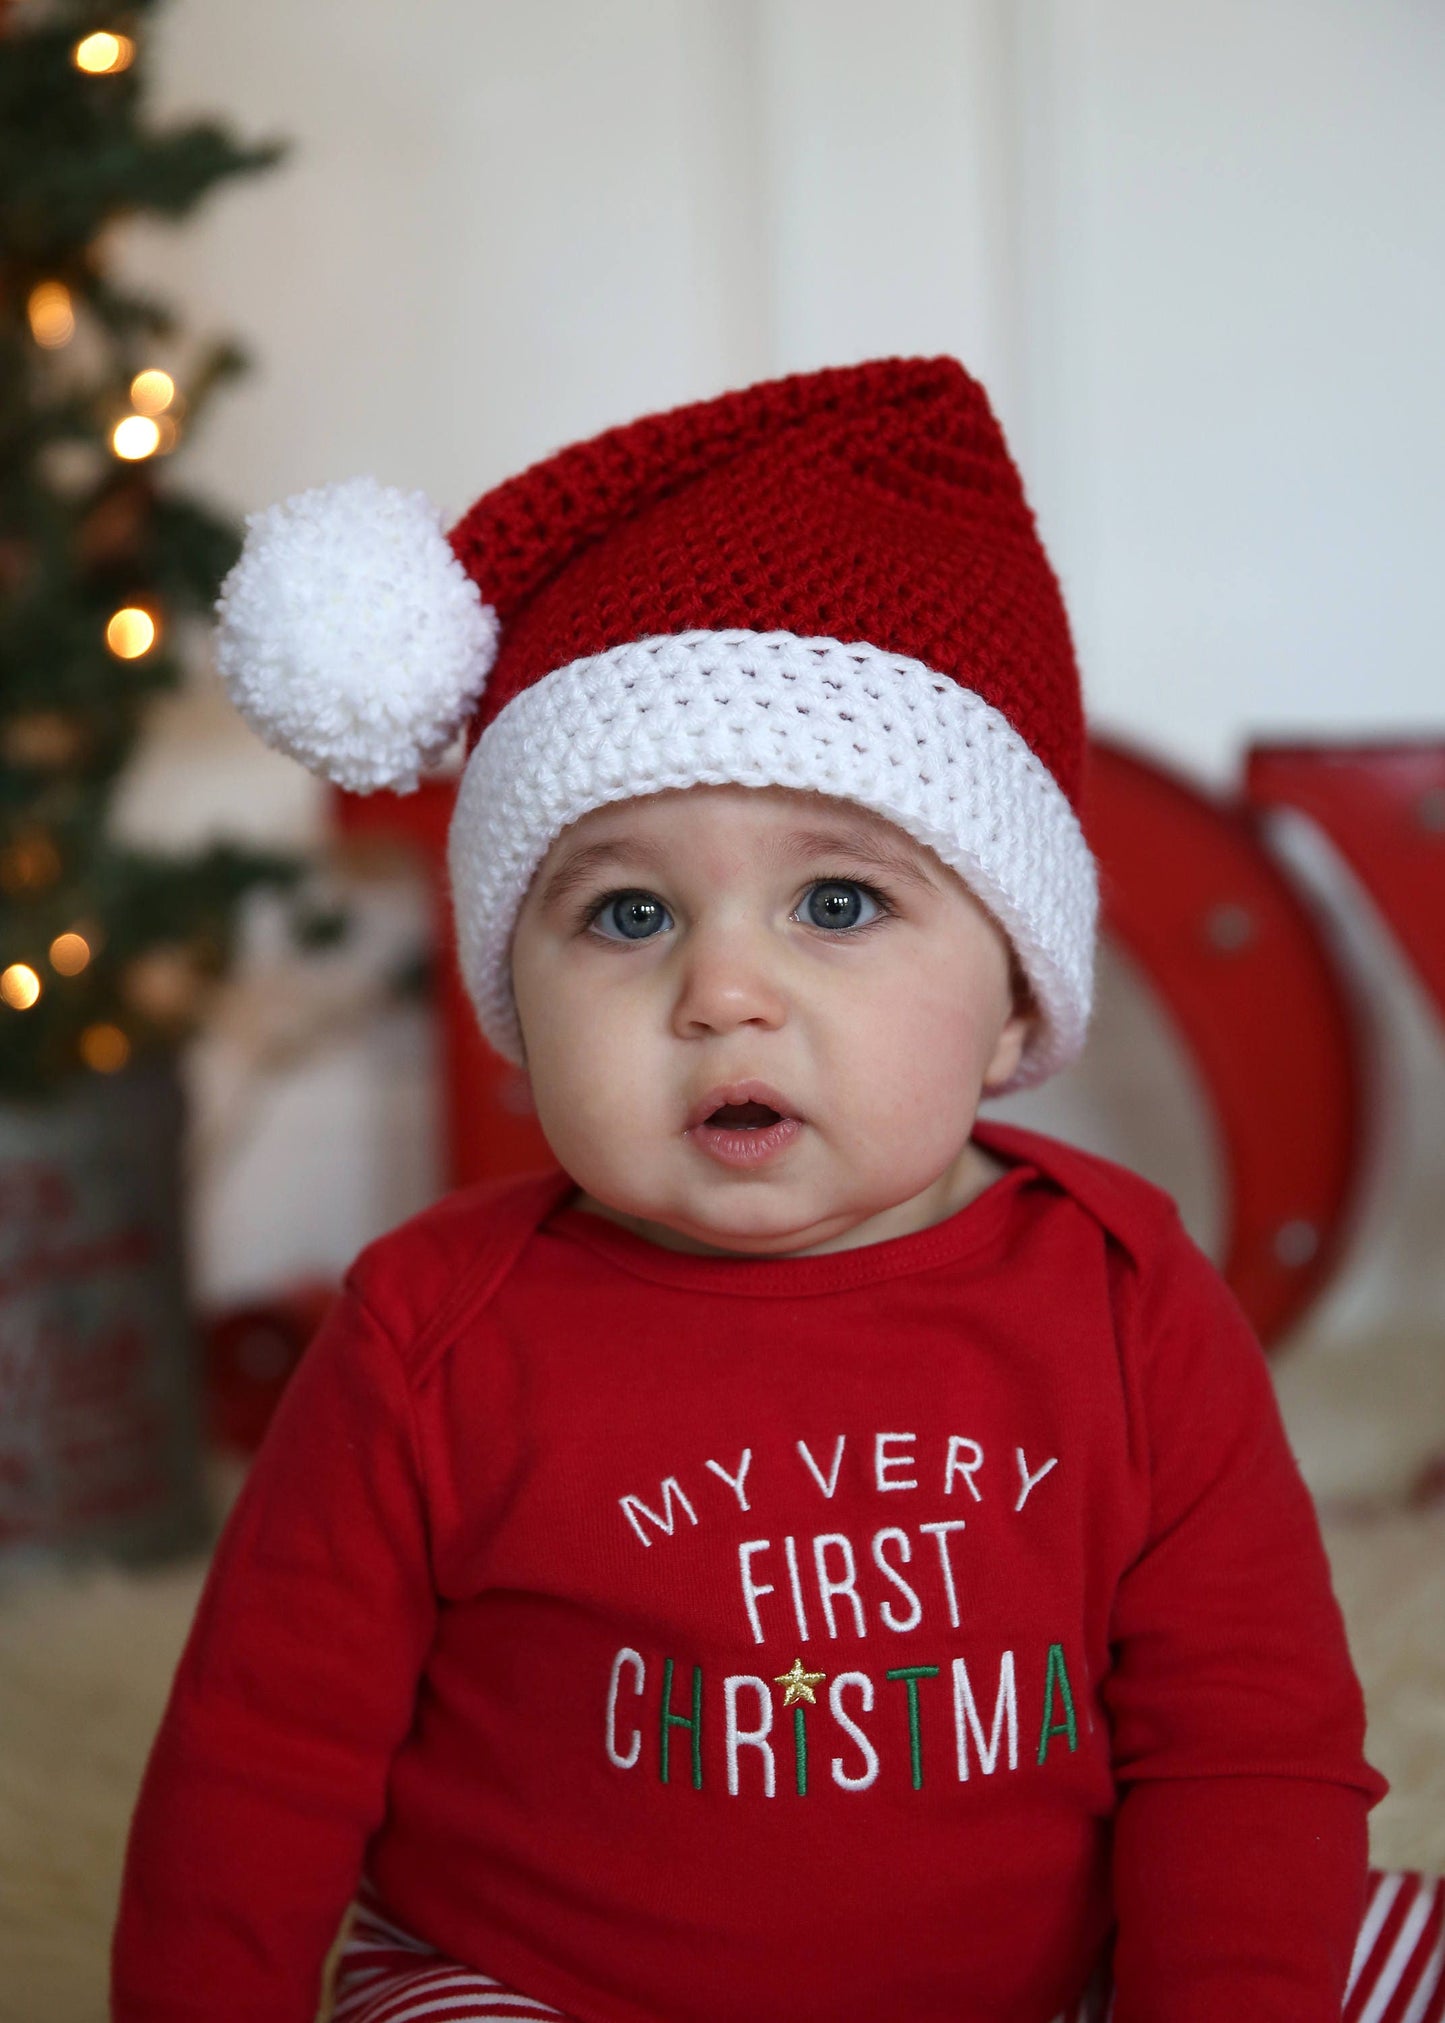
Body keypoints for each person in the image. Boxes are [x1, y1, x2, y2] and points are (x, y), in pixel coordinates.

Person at [112, 358, 1390, 2023]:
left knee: (1346, 1935)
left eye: (839, 905)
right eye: (627, 916)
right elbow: (257, 1764)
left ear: (1015, 998)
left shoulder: (1126, 1294)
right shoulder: (434, 1332)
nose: (723, 991)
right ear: (518, 996)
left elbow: (1247, 1738)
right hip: (552, 1984)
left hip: (1057, 1976)